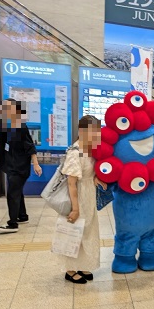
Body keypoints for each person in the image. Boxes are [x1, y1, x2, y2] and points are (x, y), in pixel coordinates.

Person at [60, 115, 104, 284]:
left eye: (96, 132)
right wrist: (75, 208)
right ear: (81, 131)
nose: (95, 136)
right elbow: (71, 183)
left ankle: (81, 264)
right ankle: (70, 269)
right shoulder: (75, 152)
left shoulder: (89, 150)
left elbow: (88, 174)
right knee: (73, 232)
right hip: (76, 197)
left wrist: (95, 179)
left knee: (86, 231)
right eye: (92, 132)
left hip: (88, 195)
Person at [0, 99, 42, 233]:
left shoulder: (20, 126)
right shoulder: (6, 126)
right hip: (10, 165)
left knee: (12, 194)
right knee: (17, 191)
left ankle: (12, 224)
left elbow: (30, 146)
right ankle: (22, 216)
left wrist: (36, 164)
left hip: (19, 167)